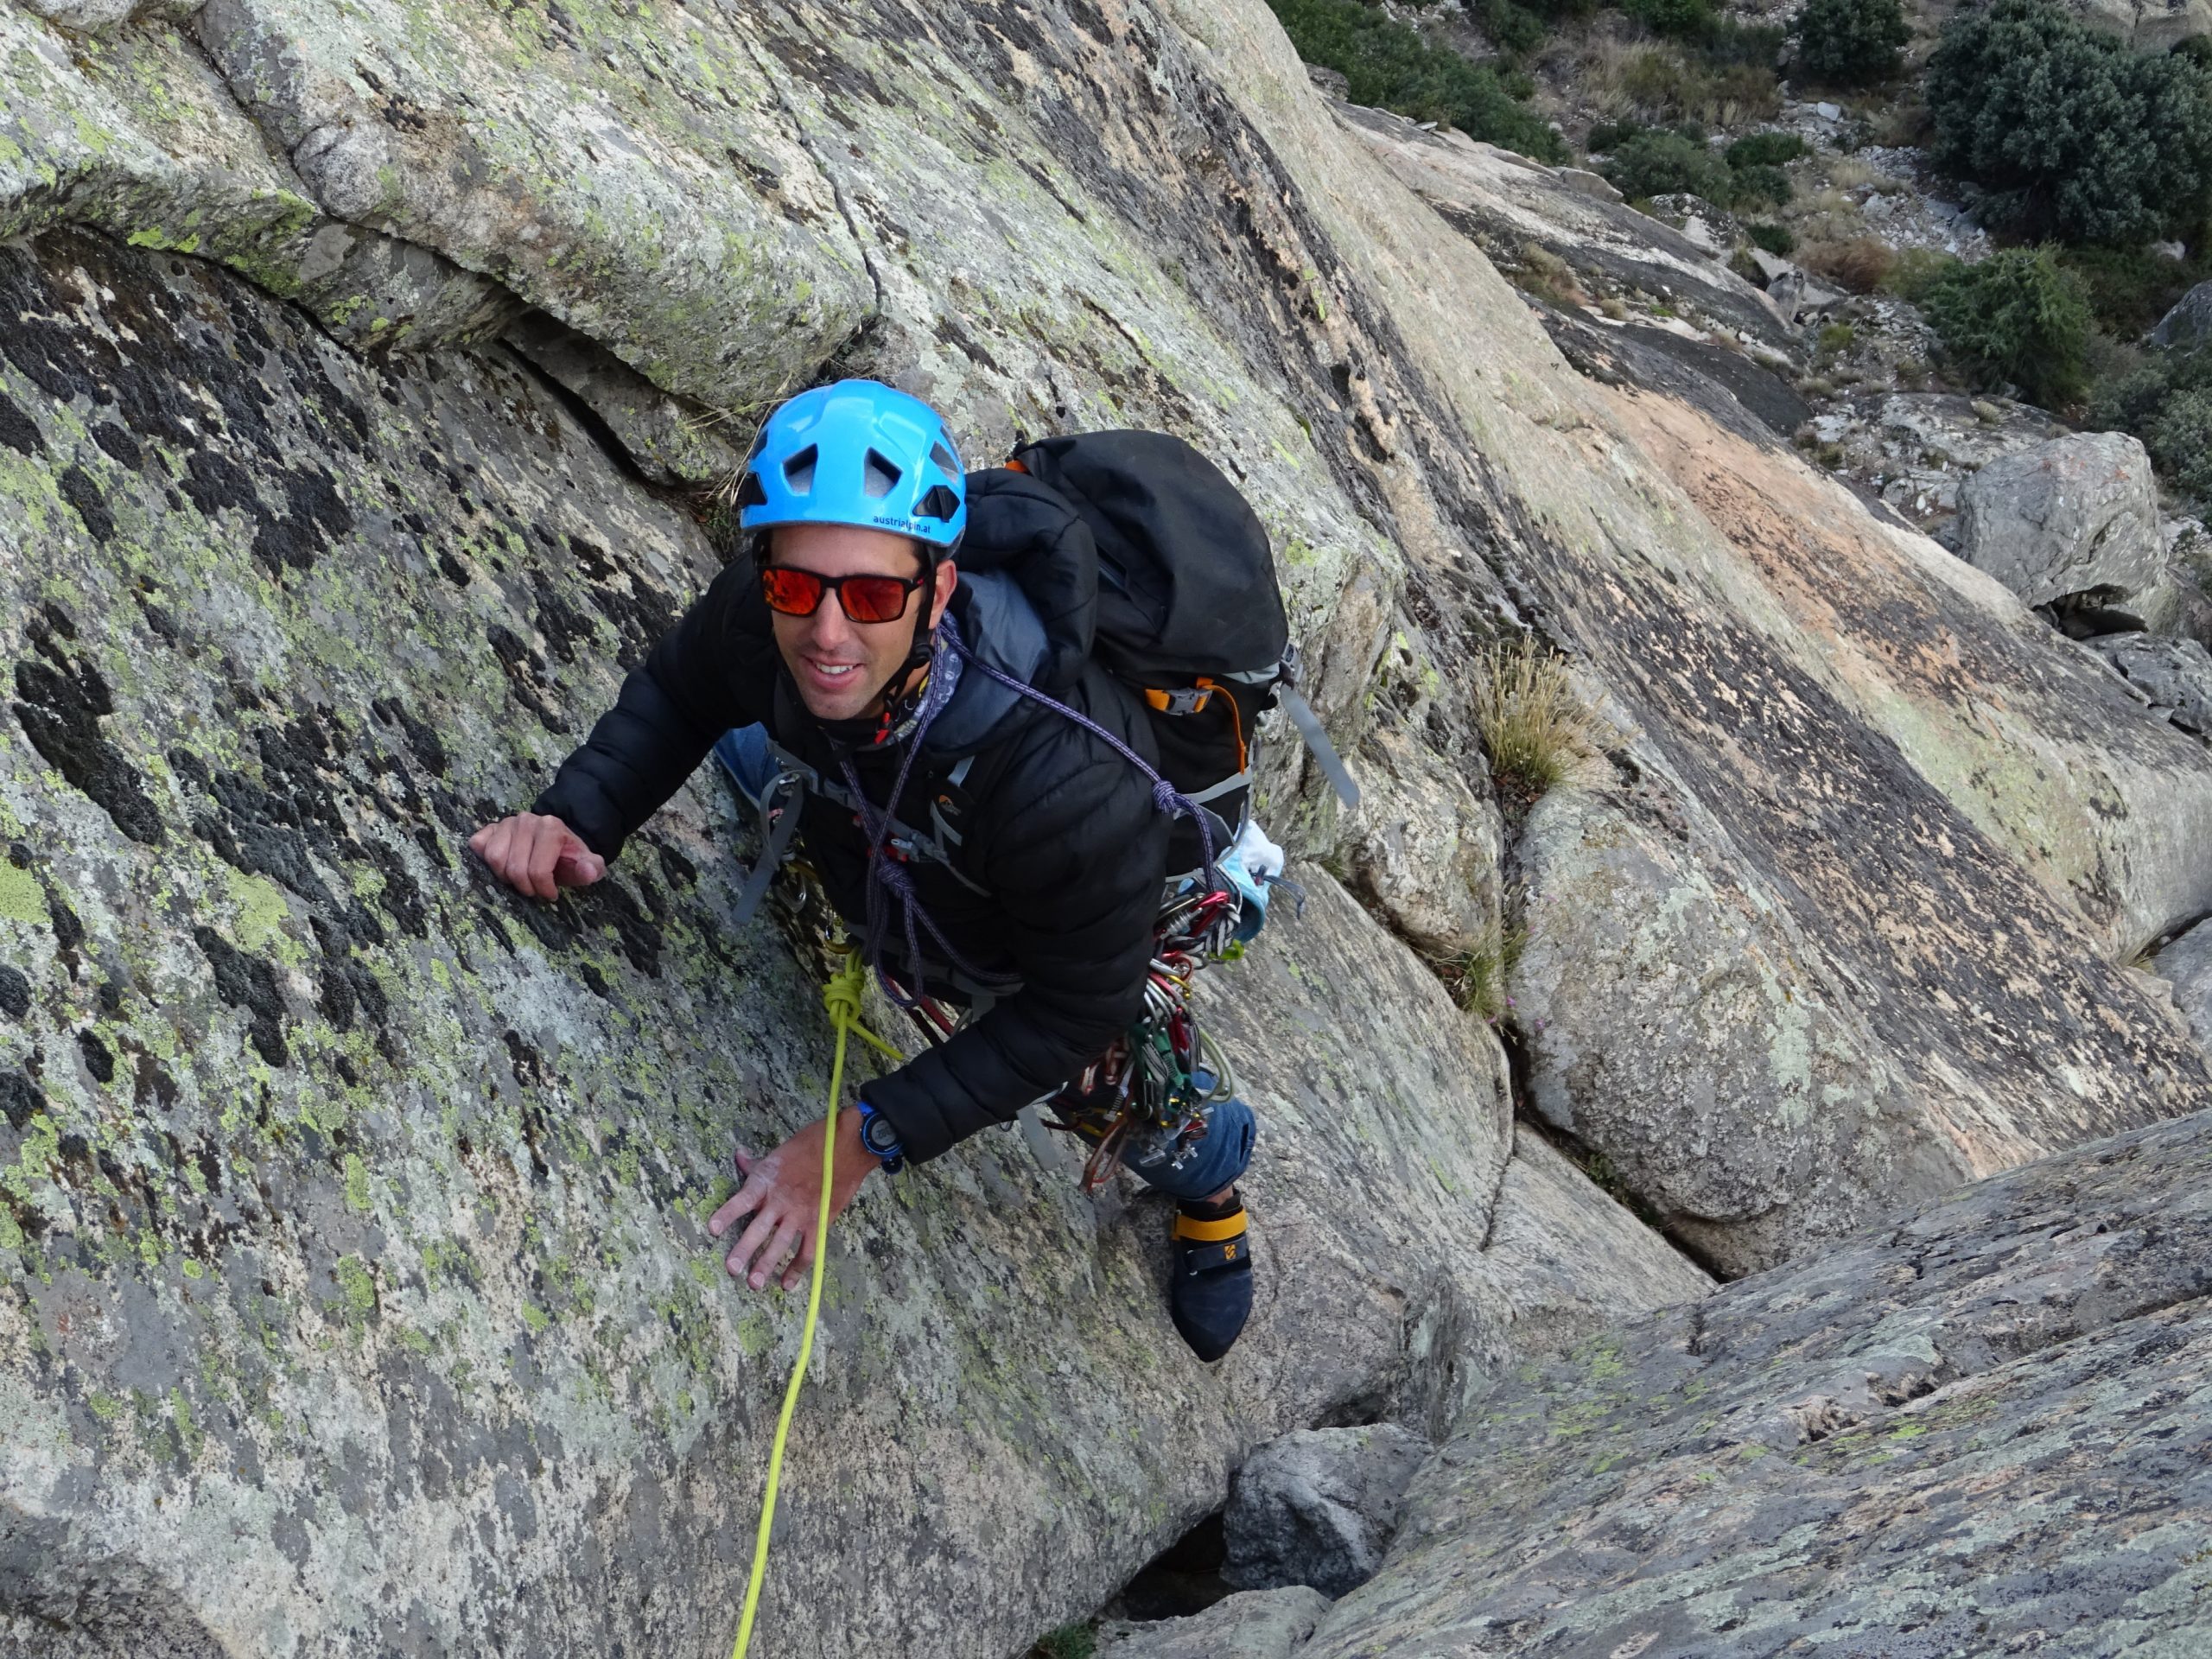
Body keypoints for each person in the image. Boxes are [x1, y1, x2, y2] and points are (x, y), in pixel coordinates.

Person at [470, 380, 1258, 1361]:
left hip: (1027, 921)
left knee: (1112, 1084)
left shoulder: (1072, 785)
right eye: (797, 587)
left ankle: (1211, 1178)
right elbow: (682, 690)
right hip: (878, 818)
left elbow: (1069, 1010)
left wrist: (861, 1140)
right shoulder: (772, 617)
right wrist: (578, 814)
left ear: (940, 589)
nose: (828, 632)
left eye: (875, 595)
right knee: (763, 751)